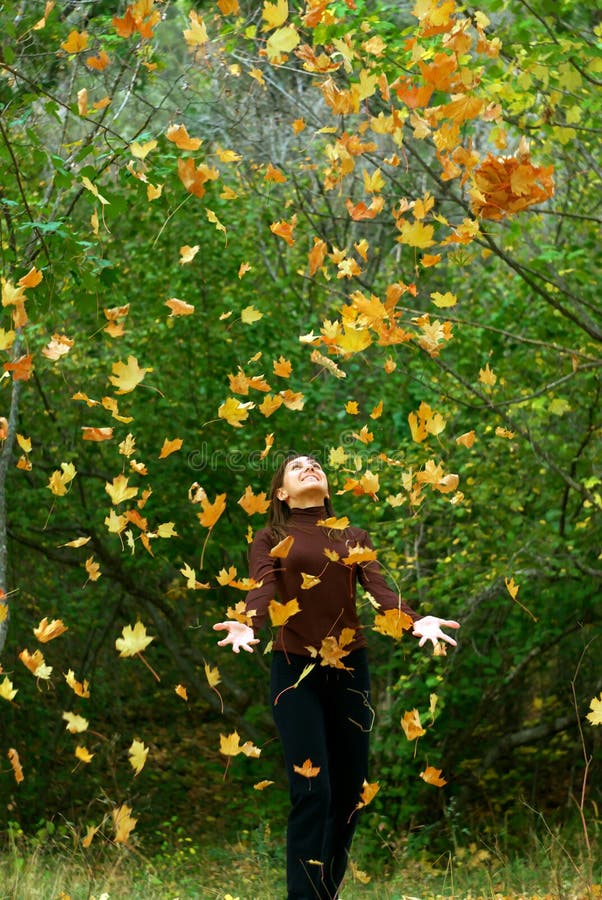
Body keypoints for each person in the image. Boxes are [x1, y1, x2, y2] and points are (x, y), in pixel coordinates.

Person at [214, 453, 460, 900]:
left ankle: (323, 895)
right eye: (297, 467)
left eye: (317, 466)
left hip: (350, 672)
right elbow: (263, 587)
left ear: (327, 489)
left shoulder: (353, 536)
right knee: (313, 792)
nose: (311, 468)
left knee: (347, 798)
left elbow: (381, 592)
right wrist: (248, 622)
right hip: (295, 674)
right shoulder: (271, 535)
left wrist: (414, 620)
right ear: (282, 493)